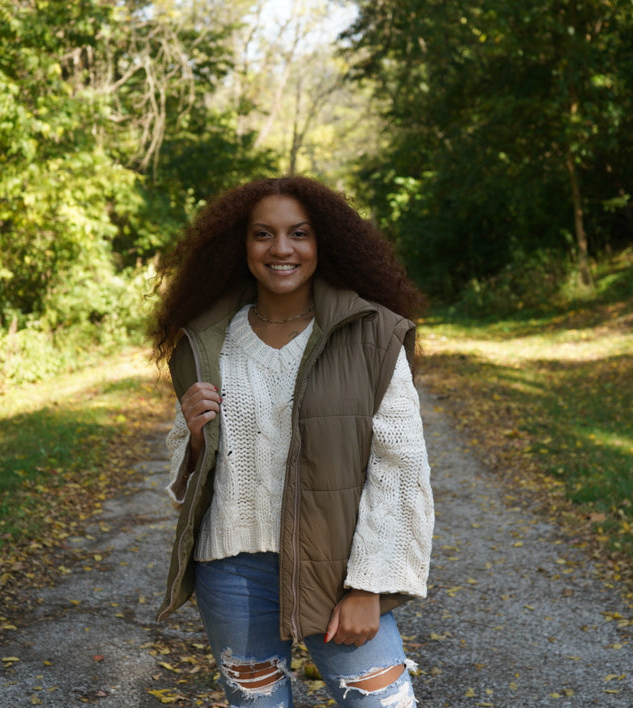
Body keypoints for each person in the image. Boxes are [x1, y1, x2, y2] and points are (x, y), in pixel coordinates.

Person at [149, 176, 434, 708]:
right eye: (263, 234)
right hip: (232, 571)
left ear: (323, 243)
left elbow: (400, 469)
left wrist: (367, 586)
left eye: (298, 233)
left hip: (339, 568)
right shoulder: (207, 340)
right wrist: (190, 436)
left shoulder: (372, 334)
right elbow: (190, 468)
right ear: (242, 245)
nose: (281, 249)